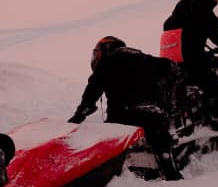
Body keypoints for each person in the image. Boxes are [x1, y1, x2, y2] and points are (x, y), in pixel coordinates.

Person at [68, 36, 185, 179]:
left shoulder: (108, 62)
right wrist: (171, 104)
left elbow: (93, 89)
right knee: (161, 142)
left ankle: (109, 178)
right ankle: (170, 170)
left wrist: (80, 114)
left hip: (123, 115)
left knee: (110, 150)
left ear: (106, 49)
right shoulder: (148, 59)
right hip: (153, 114)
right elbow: (173, 68)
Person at [163, 0, 218, 130]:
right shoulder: (201, 4)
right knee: (215, 84)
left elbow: (168, 25)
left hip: (173, 55)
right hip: (189, 55)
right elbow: (214, 28)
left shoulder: (186, 3)